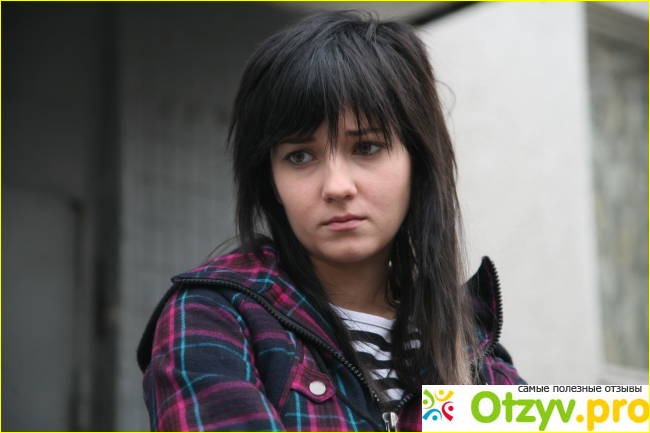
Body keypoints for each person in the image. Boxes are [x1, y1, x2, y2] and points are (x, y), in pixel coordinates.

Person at [137, 11, 524, 432]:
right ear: (271, 180)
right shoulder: (213, 316)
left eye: (367, 147)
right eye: (300, 156)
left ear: (417, 162)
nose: (337, 186)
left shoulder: (476, 349)